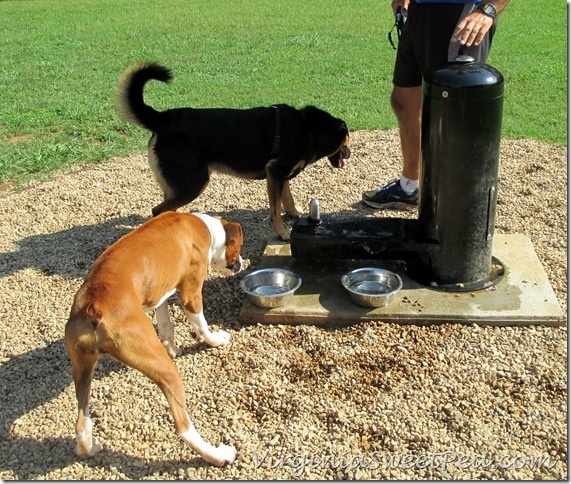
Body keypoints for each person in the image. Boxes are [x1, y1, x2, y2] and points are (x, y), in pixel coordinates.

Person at [362, 0, 510, 209]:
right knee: (404, 101)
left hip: (460, 14)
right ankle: (410, 187)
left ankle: (453, 206)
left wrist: (489, 9)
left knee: (453, 110)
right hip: (420, 11)